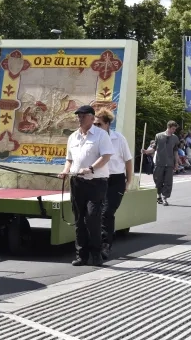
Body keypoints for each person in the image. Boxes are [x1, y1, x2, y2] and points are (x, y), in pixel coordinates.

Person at [58, 105, 114, 267]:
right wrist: (65, 171)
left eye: (83, 116)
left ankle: (96, 254)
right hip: (77, 182)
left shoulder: (101, 135)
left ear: (91, 117)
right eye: (78, 116)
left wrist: (90, 168)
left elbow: (106, 156)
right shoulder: (73, 137)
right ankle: (81, 255)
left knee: (92, 218)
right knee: (79, 220)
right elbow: (69, 159)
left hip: (96, 182)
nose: (80, 118)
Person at [93, 108, 132, 261]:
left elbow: (128, 161)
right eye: (94, 124)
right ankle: (100, 240)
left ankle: (105, 245)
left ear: (108, 124)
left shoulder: (119, 139)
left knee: (107, 212)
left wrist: (128, 181)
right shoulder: (93, 138)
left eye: (99, 124)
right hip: (98, 179)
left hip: (116, 180)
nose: (96, 127)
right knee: (96, 213)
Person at [142, 121, 179, 206]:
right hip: (159, 163)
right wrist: (146, 151)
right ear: (169, 127)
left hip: (170, 163)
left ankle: (164, 198)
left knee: (168, 182)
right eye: (173, 129)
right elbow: (154, 149)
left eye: (175, 129)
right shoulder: (158, 136)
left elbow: (176, 152)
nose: (174, 130)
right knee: (158, 181)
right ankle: (159, 195)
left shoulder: (175, 138)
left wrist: (176, 163)